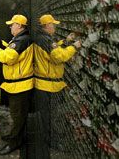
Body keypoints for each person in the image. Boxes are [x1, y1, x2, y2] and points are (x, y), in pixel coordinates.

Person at [0, 14, 33, 155]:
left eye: (12, 24)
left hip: (21, 86)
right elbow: (10, 50)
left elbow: (8, 57)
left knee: (18, 117)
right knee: (17, 114)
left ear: (19, 26)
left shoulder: (22, 40)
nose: (10, 26)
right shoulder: (21, 39)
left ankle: (14, 143)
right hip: (17, 85)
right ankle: (15, 137)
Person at [33, 14, 81, 156]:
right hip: (47, 86)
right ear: (46, 26)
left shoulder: (42, 38)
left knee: (48, 115)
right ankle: (51, 141)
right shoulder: (45, 39)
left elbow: (53, 51)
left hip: (45, 84)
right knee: (49, 116)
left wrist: (66, 41)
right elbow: (59, 56)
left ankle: (51, 138)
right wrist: (74, 47)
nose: (54, 26)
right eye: (52, 24)